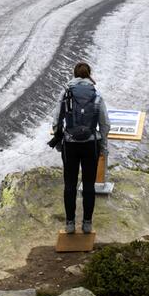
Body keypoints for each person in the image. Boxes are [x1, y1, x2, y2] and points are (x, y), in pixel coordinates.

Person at [49, 62, 110, 234]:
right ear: (89, 74)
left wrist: (59, 140)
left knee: (70, 184)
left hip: (70, 144)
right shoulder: (96, 95)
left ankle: (69, 224)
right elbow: (105, 124)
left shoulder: (66, 94)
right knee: (89, 185)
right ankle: (87, 224)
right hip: (91, 144)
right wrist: (103, 146)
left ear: (74, 75)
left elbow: (56, 120)